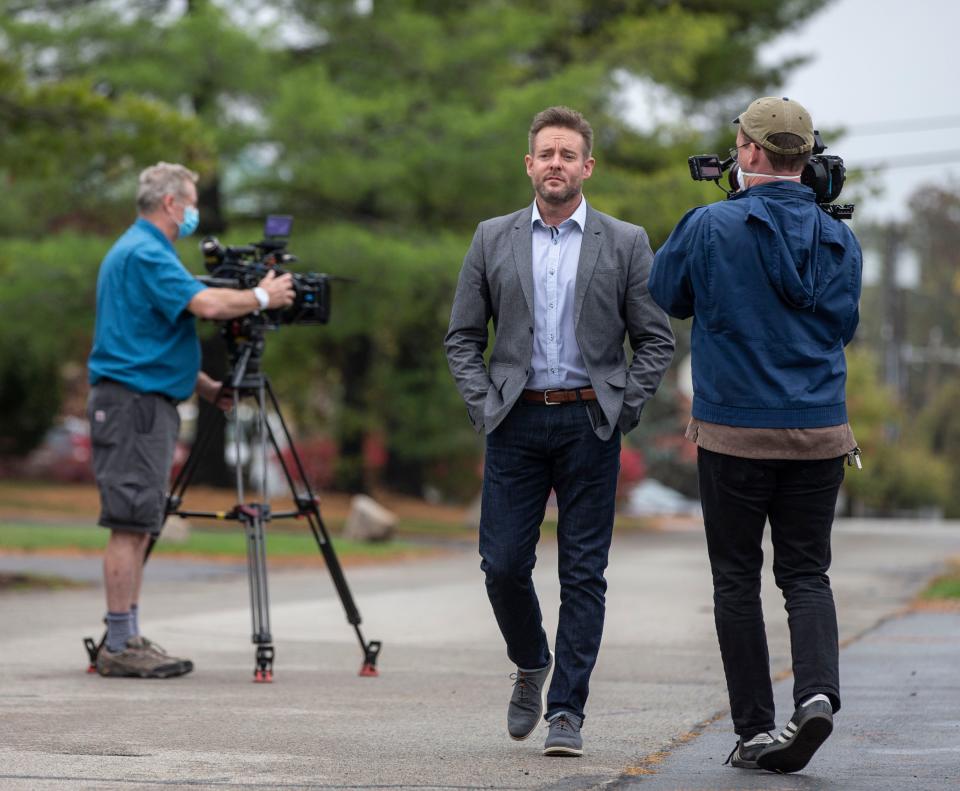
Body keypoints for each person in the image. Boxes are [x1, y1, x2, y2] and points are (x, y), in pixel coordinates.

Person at [445, 106, 674, 756]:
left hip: (588, 423)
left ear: (586, 166)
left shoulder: (625, 241)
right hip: (514, 420)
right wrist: (485, 404)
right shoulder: (491, 238)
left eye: (567, 154)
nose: (555, 163)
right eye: (546, 153)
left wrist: (622, 406)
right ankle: (530, 658)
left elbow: (655, 338)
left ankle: (567, 710)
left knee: (584, 573)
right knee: (503, 565)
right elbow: (463, 336)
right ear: (529, 163)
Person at [648, 97, 863, 774]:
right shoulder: (841, 239)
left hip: (735, 434)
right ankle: (818, 693)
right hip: (820, 433)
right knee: (806, 572)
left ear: (748, 152)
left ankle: (754, 729)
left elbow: (666, 293)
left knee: (736, 578)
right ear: (808, 157)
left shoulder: (710, 225)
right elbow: (843, 326)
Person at [87, 162, 295, 678]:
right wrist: (264, 296)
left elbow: (144, 337)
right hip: (133, 405)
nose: (194, 213)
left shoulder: (141, 251)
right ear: (172, 204)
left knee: (138, 523)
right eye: (192, 202)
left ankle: (126, 635)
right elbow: (205, 304)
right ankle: (119, 642)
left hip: (142, 400)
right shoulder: (145, 252)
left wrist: (204, 387)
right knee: (129, 523)